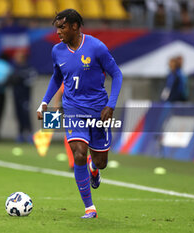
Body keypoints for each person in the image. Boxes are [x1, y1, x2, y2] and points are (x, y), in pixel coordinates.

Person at [36, 9, 123, 218]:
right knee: (78, 154)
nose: (58, 32)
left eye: (62, 27)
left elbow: (117, 74)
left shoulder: (96, 47)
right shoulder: (57, 51)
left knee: (101, 161)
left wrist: (110, 105)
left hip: (98, 110)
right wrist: (44, 102)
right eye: (57, 28)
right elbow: (57, 77)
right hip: (73, 109)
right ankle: (89, 207)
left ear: (75, 26)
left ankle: (95, 169)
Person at [11, 49, 37, 143]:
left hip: (25, 96)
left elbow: (30, 81)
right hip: (16, 95)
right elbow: (11, 80)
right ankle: (20, 134)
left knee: (26, 115)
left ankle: (30, 134)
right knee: (18, 115)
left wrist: (21, 78)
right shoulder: (14, 68)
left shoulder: (28, 68)